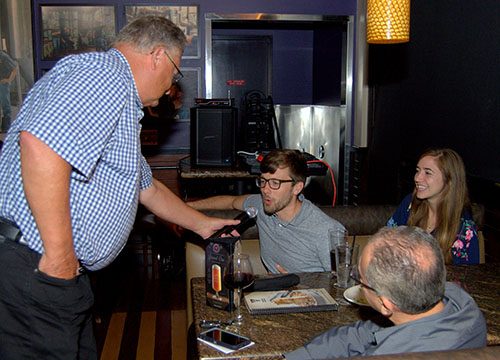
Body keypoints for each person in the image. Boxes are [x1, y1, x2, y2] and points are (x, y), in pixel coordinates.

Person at [0, 16, 237, 359]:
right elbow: (40, 145)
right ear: (157, 55)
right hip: (38, 270)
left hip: (54, 274)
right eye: (174, 72)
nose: (172, 84)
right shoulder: (105, 75)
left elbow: (146, 187)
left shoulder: (120, 104)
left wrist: (203, 225)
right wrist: (60, 257)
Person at [285, 226, 487, 359]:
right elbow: (365, 333)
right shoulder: (462, 304)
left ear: (386, 304)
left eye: (361, 280)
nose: (360, 284)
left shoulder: (390, 353)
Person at [187, 149, 345, 274]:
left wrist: (299, 287)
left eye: (275, 183)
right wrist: (187, 208)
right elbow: (230, 201)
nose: (265, 190)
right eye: (263, 181)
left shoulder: (327, 230)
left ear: (297, 187)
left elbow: (340, 286)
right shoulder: (261, 206)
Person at [387, 148, 479, 264]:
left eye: (427, 173)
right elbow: (385, 243)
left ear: (449, 180)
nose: (417, 178)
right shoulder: (409, 204)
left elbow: (467, 277)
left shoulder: (464, 229)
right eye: (417, 171)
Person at [0, 49, 18, 131]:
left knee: (5, 104)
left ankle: (6, 126)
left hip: (3, 83)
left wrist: (9, 79)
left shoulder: (3, 56)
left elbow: (14, 67)